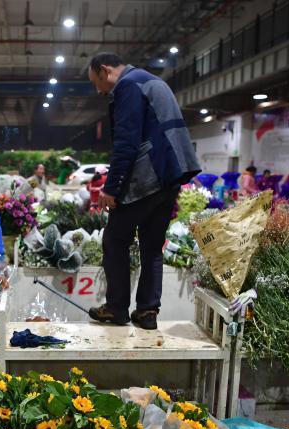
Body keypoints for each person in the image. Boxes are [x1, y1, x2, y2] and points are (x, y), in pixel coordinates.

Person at [86, 52, 199, 330]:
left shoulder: (128, 86)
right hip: (170, 175)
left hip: (150, 175)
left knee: (115, 239)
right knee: (152, 246)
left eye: (96, 82)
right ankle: (147, 312)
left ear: (105, 70)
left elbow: (127, 141)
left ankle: (116, 308)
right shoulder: (151, 81)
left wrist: (111, 188)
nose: (98, 91)